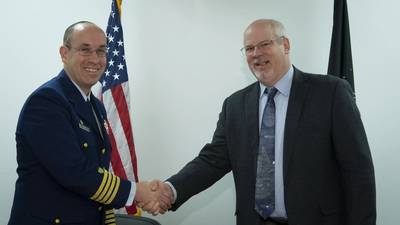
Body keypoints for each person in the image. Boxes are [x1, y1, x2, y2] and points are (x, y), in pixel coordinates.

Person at [152, 19, 376, 225]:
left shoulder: (330, 93)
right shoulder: (235, 105)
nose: (256, 54)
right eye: (249, 48)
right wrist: (171, 190)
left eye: (264, 44)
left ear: (285, 45)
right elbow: (212, 161)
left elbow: (358, 171)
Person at [8, 21, 169, 225]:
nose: (95, 59)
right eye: (85, 50)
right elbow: (76, 173)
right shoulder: (47, 102)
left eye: (101, 51)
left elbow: (99, 172)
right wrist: (139, 192)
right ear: (64, 53)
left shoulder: (95, 106)